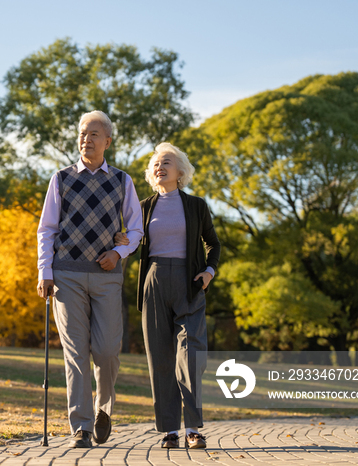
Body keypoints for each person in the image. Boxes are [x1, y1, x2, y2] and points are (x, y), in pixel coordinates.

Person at [36, 111, 143, 448]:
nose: (87, 139)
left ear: (107, 141)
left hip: (107, 276)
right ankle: (81, 426)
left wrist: (119, 253)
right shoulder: (61, 179)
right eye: (83, 133)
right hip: (66, 275)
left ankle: (103, 408)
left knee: (108, 350)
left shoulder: (123, 181)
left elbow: (136, 229)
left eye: (94, 134)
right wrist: (45, 271)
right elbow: (47, 230)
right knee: (76, 352)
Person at [119, 142, 220, 449]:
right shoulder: (144, 205)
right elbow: (134, 240)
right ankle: (169, 431)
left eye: (167, 163)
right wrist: (122, 241)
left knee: (190, 356)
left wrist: (209, 272)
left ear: (180, 172)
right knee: (160, 359)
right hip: (154, 282)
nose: (159, 167)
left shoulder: (196, 206)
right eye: (156, 164)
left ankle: (193, 428)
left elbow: (212, 244)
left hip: (190, 284)